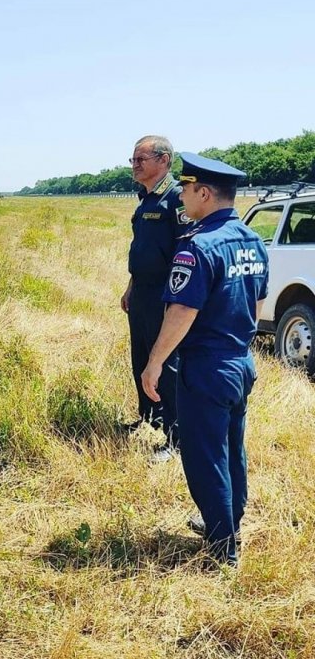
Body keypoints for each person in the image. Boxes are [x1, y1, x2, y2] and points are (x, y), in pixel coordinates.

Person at [141, 153, 268, 566]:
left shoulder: (196, 247)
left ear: (205, 193)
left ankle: (222, 550)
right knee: (232, 448)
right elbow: (258, 301)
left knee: (205, 457)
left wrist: (155, 362)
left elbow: (182, 312)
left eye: (186, 188)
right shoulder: (252, 241)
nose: (180, 195)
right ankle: (230, 523)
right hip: (239, 361)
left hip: (206, 367)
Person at [122, 135, 188, 460]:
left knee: (165, 365)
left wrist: (177, 298)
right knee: (141, 358)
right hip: (142, 294)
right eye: (133, 160)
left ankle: (176, 439)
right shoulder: (145, 200)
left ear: (163, 161)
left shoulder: (176, 198)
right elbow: (142, 251)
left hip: (165, 296)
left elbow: (186, 253)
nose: (134, 166)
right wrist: (131, 287)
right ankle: (151, 417)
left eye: (140, 160)